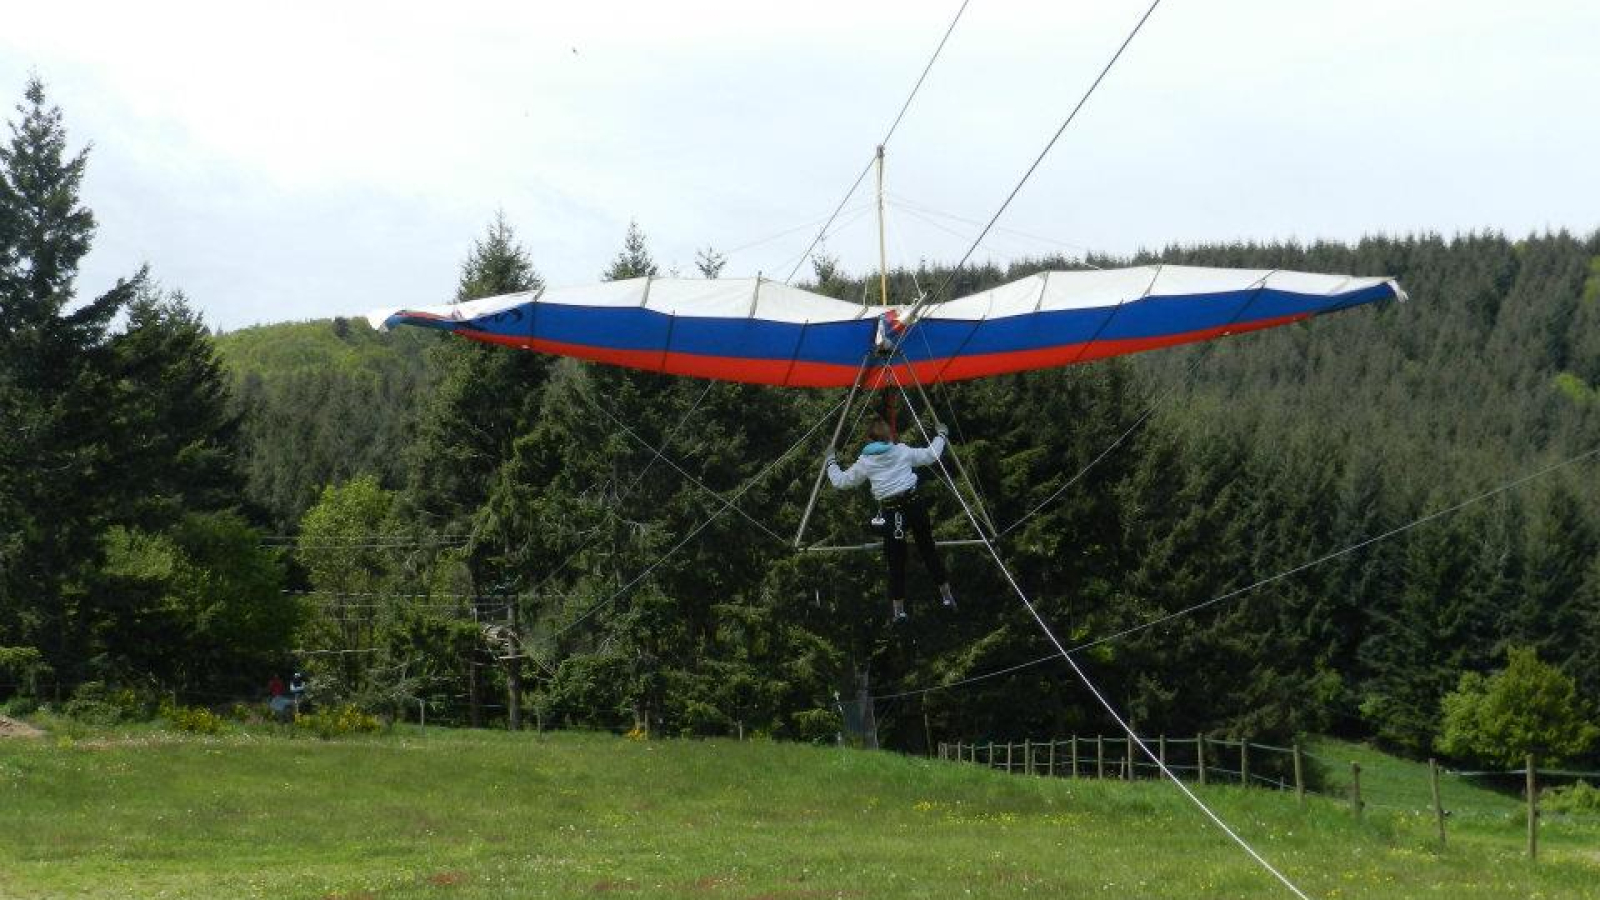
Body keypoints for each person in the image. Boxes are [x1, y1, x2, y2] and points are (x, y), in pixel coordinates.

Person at [826, 417, 956, 622]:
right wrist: (941, 435)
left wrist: (831, 461)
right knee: (927, 549)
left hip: (892, 512)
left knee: (896, 561)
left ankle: (899, 610)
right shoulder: (901, 451)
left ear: (869, 439)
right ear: (888, 436)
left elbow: (841, 481)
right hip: (913, 505)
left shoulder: (866, 462)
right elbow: (931, 455)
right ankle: (946, 596)